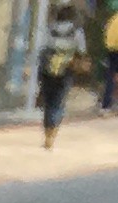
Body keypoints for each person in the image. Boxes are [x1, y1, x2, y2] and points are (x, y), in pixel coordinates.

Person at [37, 5, 82, 137]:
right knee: (59, 99)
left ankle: (47, 128)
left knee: (48, 100)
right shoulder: (76, 32)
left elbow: (42, 49)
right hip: (66, 69)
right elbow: (81, 50)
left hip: (48, 68)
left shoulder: (49, 29)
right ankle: (53, 128)